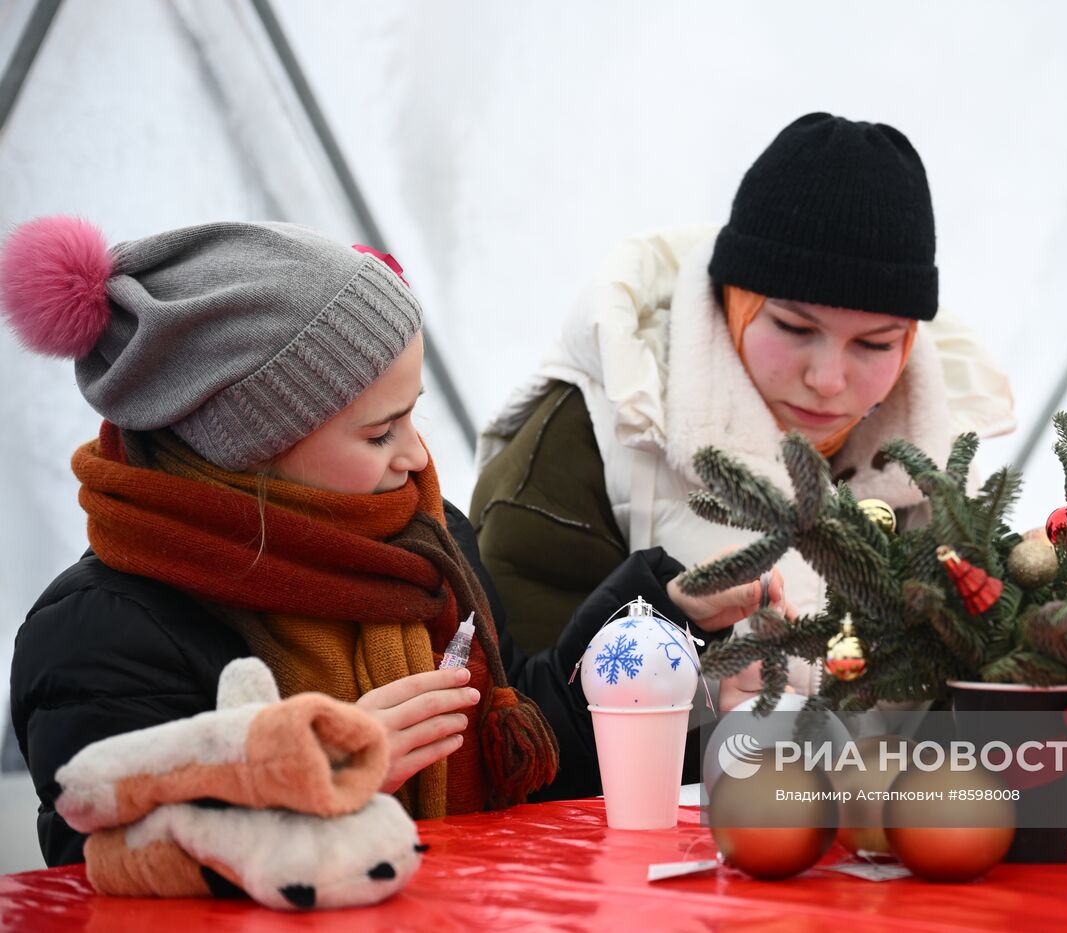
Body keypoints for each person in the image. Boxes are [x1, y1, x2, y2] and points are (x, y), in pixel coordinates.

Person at [0, 217, 773, 866]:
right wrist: (322, 770)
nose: (414, 454)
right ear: (249, 442)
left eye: (413, 413)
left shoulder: (425, 546)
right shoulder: (101, 633)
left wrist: (664, 619)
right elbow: (109, 865)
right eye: (379, 431)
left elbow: (520, 755)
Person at [470, 113, 1015, 710]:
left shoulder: (942, 459)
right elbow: (522, 731)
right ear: (736, 301)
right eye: (792, 326)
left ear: (910, 341)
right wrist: (710, 721)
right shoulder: (588, 434)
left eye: (875, 344)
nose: (828, 380)